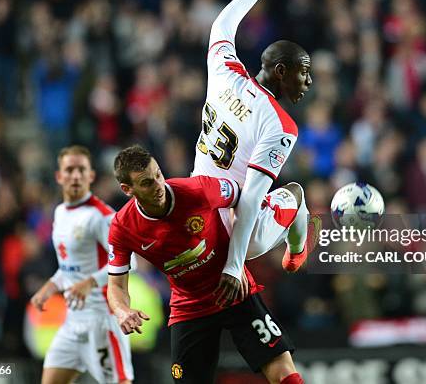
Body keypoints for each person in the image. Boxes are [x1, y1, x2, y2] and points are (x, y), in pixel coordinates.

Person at [107, 145, 305, 384]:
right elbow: (116, 286)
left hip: (234, 290)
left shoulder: (199, 189)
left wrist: (236, 260)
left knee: (284, 374)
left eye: (158, 174)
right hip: (189, 307)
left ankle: (291, 205)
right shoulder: (122, 227)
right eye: (147, 183)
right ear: (128, 189)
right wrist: (122, 311)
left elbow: (246, 201)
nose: (159, 186)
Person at [192, 0, 314, 306]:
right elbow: (251, 197)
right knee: (296, 193)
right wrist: (235, 264)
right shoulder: (280, 125)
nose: (308, 81)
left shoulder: (223, 70)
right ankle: (298, 248)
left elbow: (222, 25)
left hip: (196, 214)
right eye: (303, 71)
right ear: (281, 72)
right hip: (236, 236)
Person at [30, 145, 133, 384]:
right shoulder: (59, 213)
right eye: (69, 169)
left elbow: (131, 261)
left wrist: (90, 283)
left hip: (102, 320)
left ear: (91, 176)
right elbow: (68, 266)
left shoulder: (101, 216)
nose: (75, 175)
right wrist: (49, 287)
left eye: (81, 170)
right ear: (59, 176)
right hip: (72, 321)